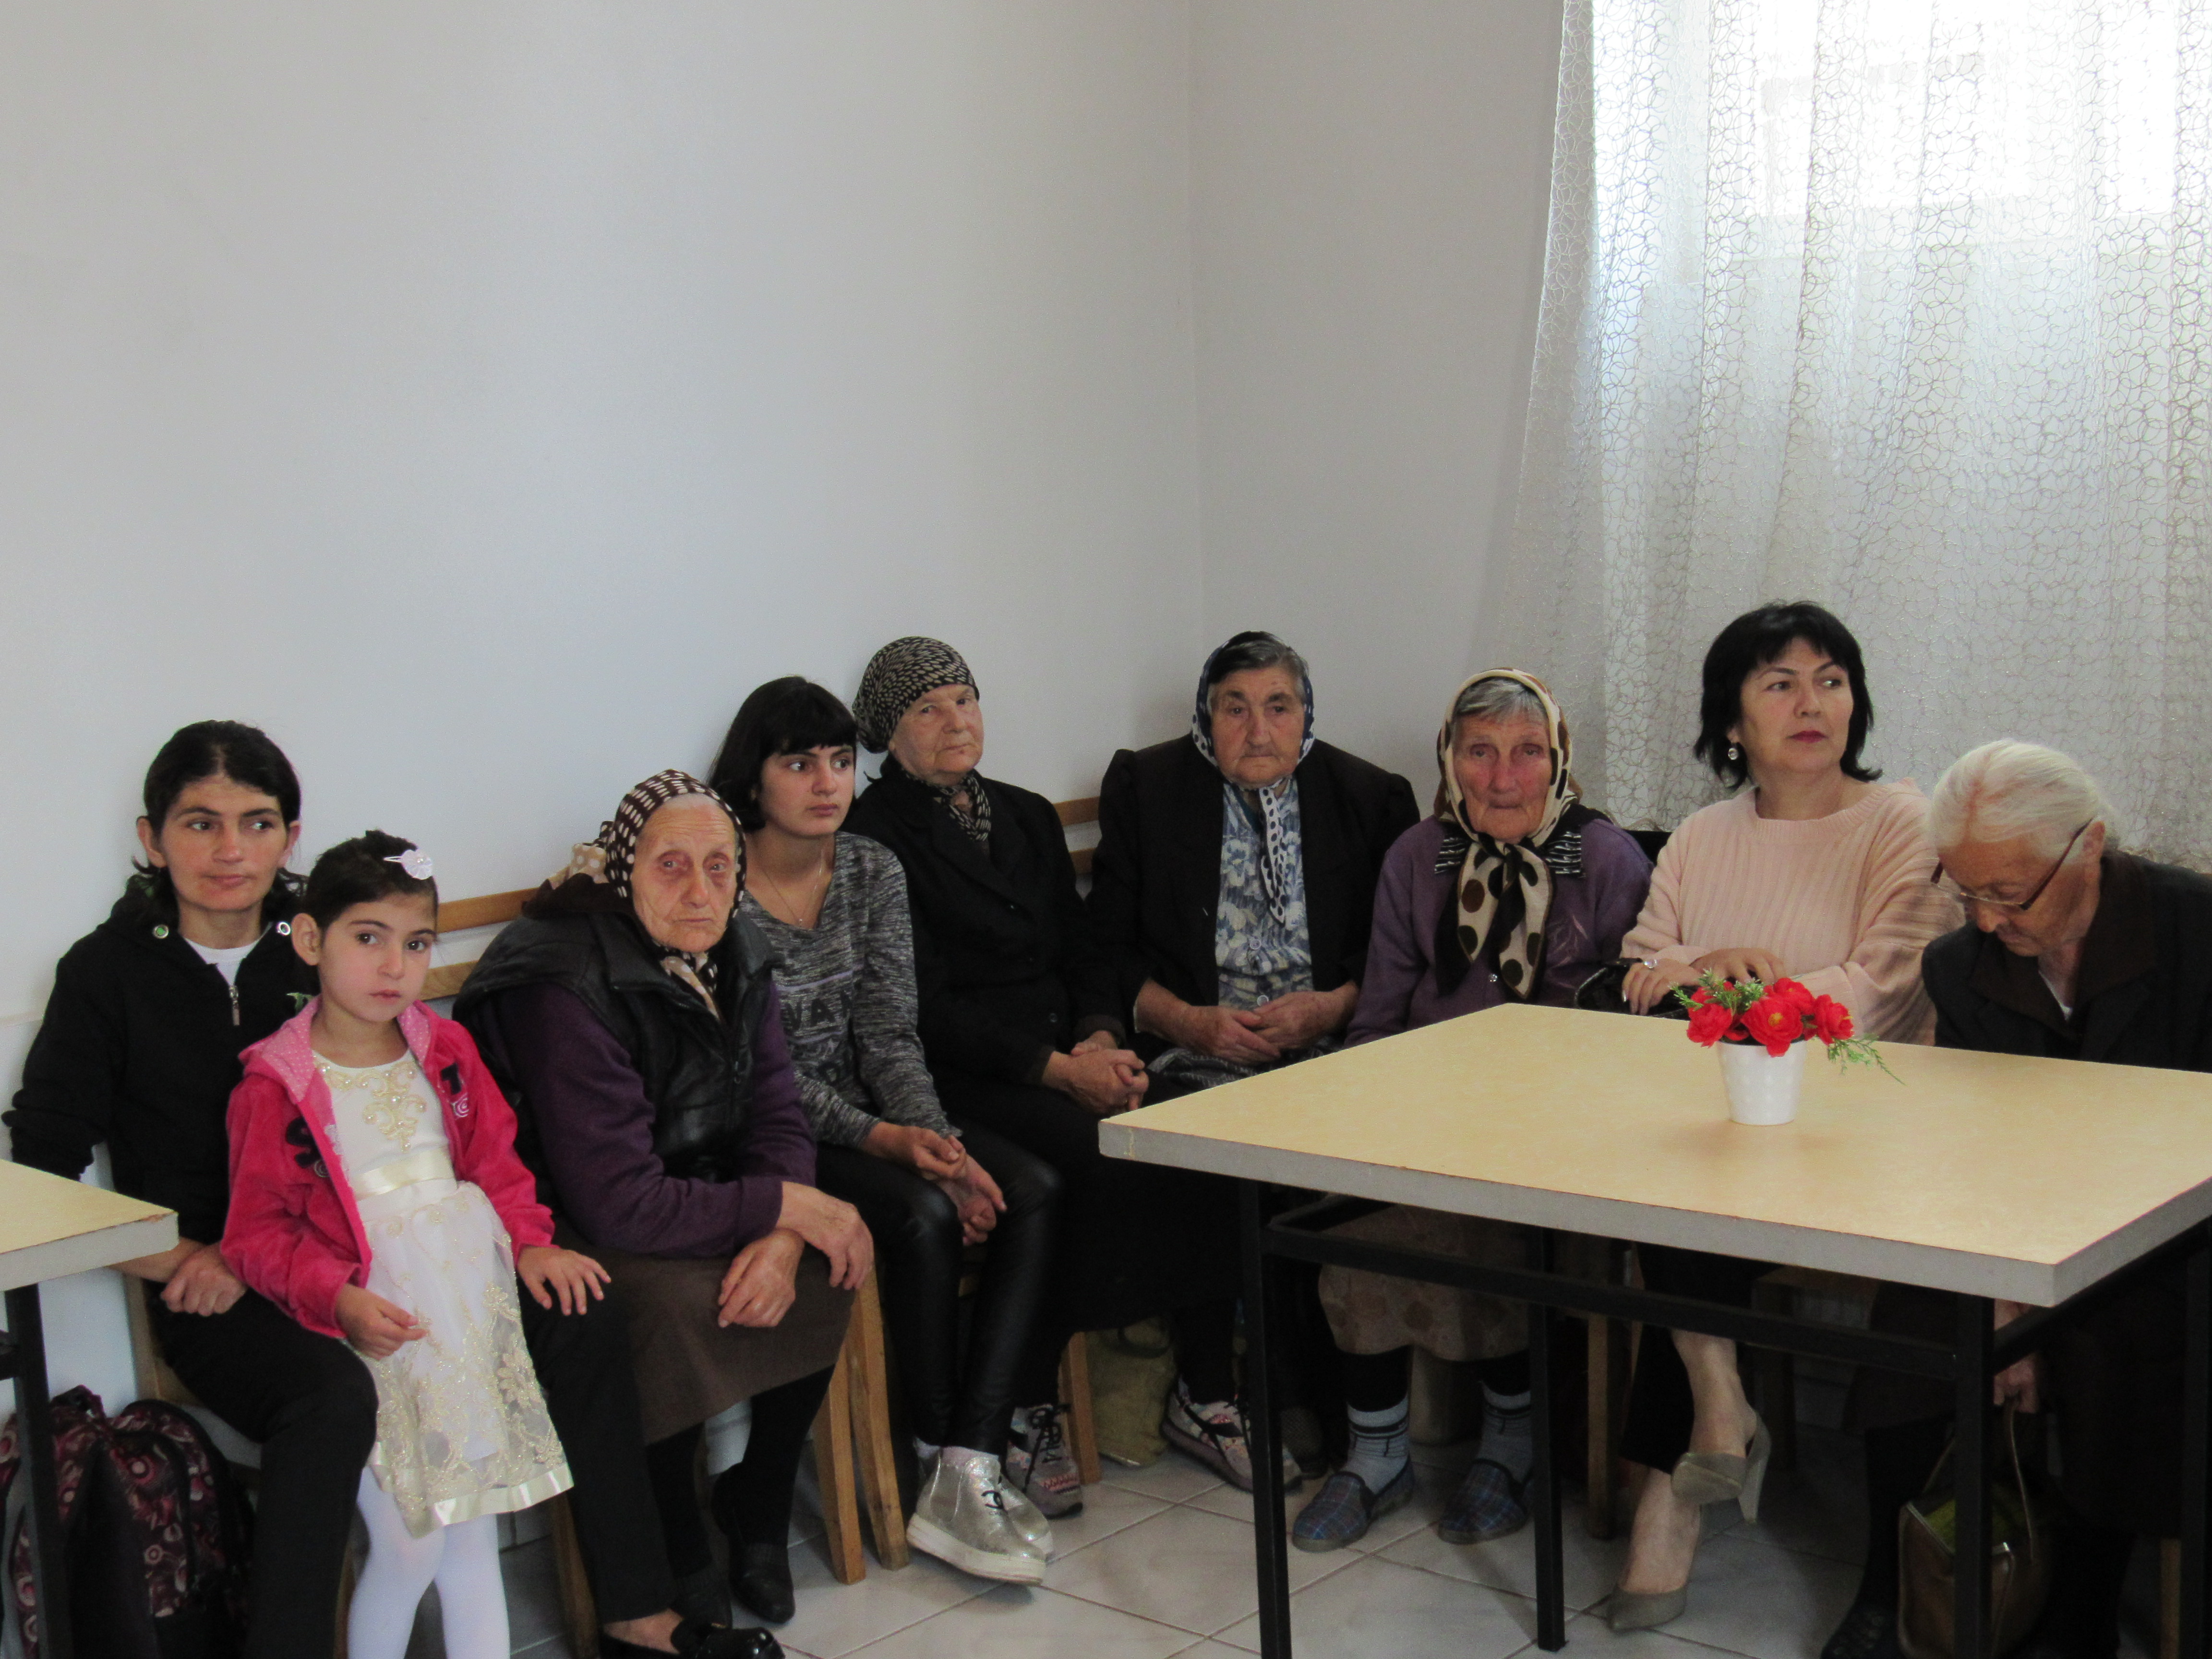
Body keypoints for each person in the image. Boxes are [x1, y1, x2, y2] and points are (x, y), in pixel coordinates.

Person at [8, 726, 772, 1659]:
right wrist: (183, 1257)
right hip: (222, 1281)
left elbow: (460, 1123)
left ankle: (636, 1613)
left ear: (290, 837)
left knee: (583, 1308)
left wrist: (526, 1238)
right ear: (151, 837)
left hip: (402, 1248)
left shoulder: (326, 941)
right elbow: (40, 1175)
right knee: (329, 1400)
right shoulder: (107, 975)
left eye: (257, 823)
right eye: (200, 824)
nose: (230, 850)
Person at [844, 637, 1292, 1504]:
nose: (955, 722)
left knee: (1205, 1134)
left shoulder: (1023, 814)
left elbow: (1086, 948)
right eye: (927, 710)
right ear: (888, 736)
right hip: (966, 1075)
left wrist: (1097, 1036)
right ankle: (1026, 1401)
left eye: (964, 700)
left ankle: (1206, 1392)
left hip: (1067, 1053)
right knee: (1092, 1162)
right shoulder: (874, 838)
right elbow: (924, 1007)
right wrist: (1055, 1072)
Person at [1822, 741, 2212, 1659]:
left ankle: (2080, 1606)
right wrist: (2005, 1300)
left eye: (2009, 893)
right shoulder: (1960, 967)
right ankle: (1889, 1587)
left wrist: (2046, 1303)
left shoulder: (2194, 933)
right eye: (1966, 893)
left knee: (2119, 1325)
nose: (1988, 920)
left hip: (2177, 1228)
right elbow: (1975, 1145)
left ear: (2088, 846)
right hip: (2025, 1220)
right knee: (1919, 1308)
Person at [1611, 602, 1959, 1631]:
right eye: (1779, 683)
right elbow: (1637, 972)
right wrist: (1706, 970)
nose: (1812, 703)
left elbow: (1877, 991)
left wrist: (1715, 985)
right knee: (1666, 1172)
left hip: (1866, 1132)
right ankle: (1717, 1401)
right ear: (1731, 722)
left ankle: (1683, 1483)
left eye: (1830, 680)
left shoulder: (1903, 822)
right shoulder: (1703, 834)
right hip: (1722, 1122)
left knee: (1682, 1196)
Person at [457, 771, 866, 1637]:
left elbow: (778, 1115)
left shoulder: (733, 947)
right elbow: (617, 1203)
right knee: (670, 1308)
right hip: (567, 1216)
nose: (700, 890)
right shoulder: (562, 979)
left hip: (688, 1185)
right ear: (623, 870)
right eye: (671, 865)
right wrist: (781, 1207)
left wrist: (785, 1233)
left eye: (720, 867)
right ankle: (680, 1544)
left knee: (831, 1261)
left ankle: (757, 1505)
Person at [708, 677, 1060, 1582]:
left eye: (838, 761)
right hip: (778, 1132)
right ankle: (934, 1451)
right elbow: (759, 1074)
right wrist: (893, 1146)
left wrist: (939, 1144)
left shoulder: (870, 867)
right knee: (923, 1216)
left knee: (1027, 1189)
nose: (827, 782)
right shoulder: (719, 886)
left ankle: (967, 1462)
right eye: (799, 764)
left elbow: (889, 1031)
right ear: (753, 778)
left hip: (875, 1110)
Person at [1290, 671, 1652, 1552]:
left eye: (1526, 752)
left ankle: (1510, 1448)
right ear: (1449, 759)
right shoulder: (1419, 856)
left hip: (1560, 1126)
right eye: (1478, 751)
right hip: (1427, 1109)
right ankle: (1377, 1454)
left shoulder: (1604, 860)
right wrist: (1365, 1120)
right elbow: (1379, 1014)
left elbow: (1636, 1040)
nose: (1501, 777)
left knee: (1491, 1222)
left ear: (1557, 758)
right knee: (1346, 1215)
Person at [223, 831, 596, 1659]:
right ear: (312, 939)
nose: (394, 966)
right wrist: (337, 1297)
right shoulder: (276, 1085)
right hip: (368, 1335)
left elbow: (497, 1164)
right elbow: (256, 1234)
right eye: (369, 937)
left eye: (417, 943)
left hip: (460, 1326)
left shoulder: (447, 1050)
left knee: (471, 1539)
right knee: (406, 1548)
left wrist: (530, 1243)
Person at [1089, 630, 1419, 1096]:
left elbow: (1399, 946)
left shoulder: (1368, 798)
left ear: (1306, 713)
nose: (1259, 734)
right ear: (1208, 715)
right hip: (1189, 1057)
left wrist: (1334, 1009)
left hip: (1334, 1051)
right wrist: (1186, 1022)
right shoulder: (1147, 791)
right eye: (1236, 710)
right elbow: (1106, 943)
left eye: (1278, 708)